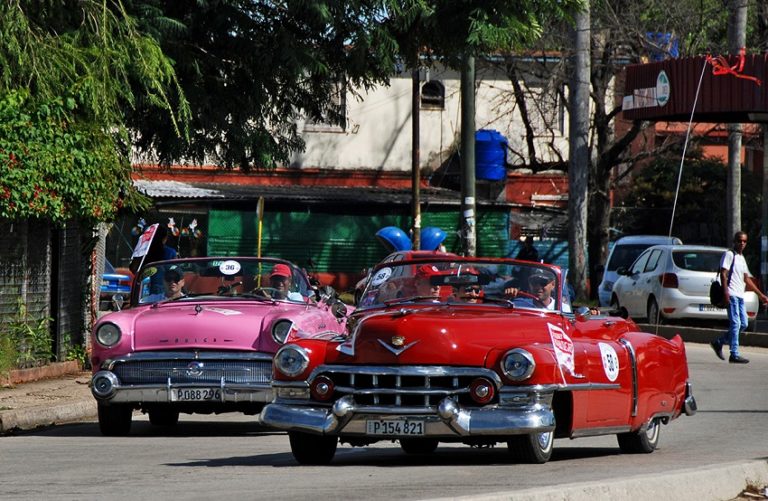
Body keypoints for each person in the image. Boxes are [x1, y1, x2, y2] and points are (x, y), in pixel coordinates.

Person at [710, 231, 768, 364]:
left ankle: (719, 342)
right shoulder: (729, 255)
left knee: (744, 323)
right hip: (731, 294)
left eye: (744, 241)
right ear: (734, 241)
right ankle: (734, 354)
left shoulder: (741, 258)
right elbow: (723, 274)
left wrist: (761, 295)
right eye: (739, 240)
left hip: (740, 295)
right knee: (735, 323)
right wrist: (726, 292)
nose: (741, 243)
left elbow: (747, 279)